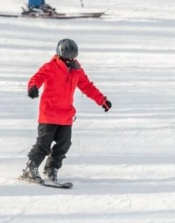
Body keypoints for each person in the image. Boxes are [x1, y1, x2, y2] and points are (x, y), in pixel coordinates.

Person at [21, 39, 111, 184]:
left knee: (64, 144)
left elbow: (87, 87)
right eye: (66, 59)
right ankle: (30, 169)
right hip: (49, 113)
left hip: (66, 114)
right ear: (59, 55)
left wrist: (102, 100)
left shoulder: (77, 71)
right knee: (44, 144)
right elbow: (37, 78)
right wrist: (33, 87)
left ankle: (51, 169)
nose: (69, 61)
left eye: (72, 58)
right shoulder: (50, 67)